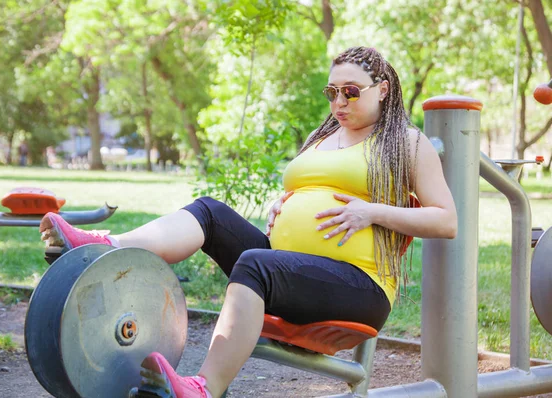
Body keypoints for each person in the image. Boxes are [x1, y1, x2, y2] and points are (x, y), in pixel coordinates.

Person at [38, 46, 457, 398]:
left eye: (350, 92)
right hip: (292, 268)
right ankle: (102, 248)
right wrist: (285, 202)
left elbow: (446, 220)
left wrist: (371, 211)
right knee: (209, 211)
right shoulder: (325, 136)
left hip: (358, 286)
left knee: (256, 262)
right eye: (332, 92)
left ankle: (205, 388)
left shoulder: (406, 141)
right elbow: (309, 186)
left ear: (383, 90)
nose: (339, 103)